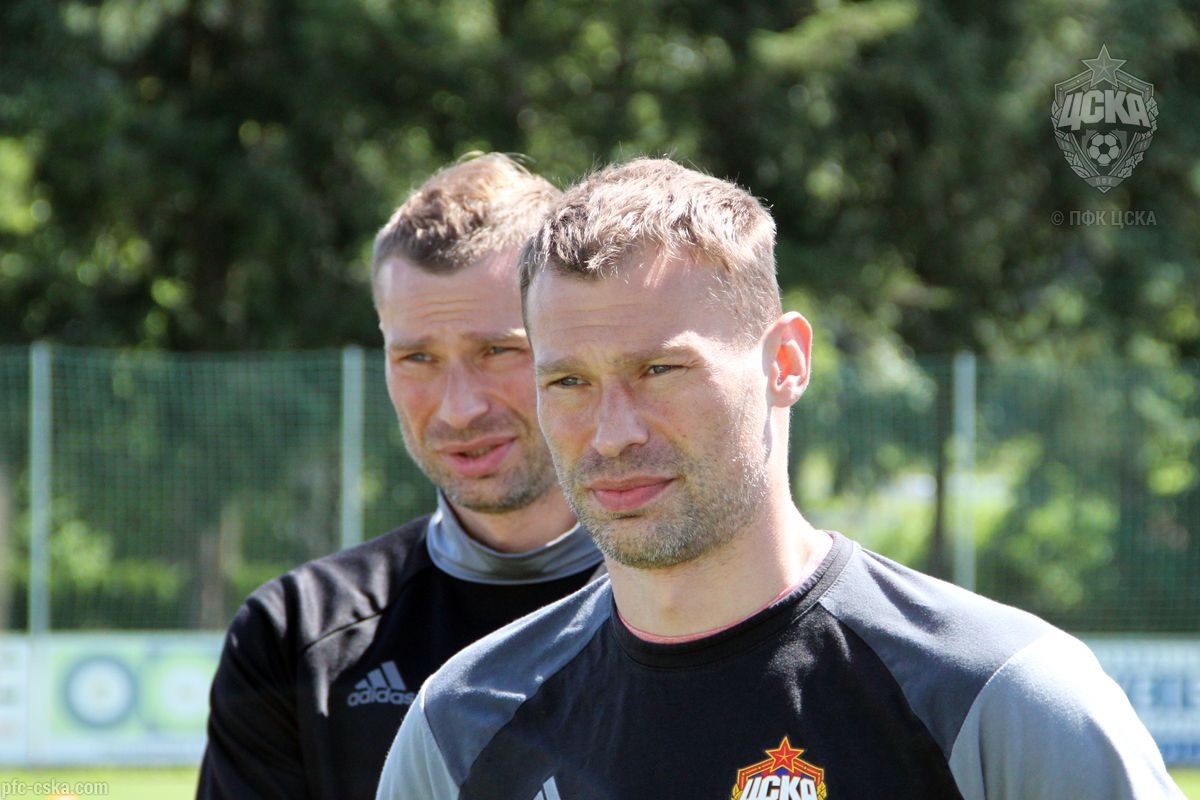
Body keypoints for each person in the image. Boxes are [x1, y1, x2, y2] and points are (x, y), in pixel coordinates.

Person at [375, 157, 1184, 800]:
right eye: (568, 381)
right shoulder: (461, 729)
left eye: (660, 370)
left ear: (786, 361)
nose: (613, 433)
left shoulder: (998, 702)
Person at [196, 153, 602, 800]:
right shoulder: (294, 636)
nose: (458, 408)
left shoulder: (694, 608)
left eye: (497, 350)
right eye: (417, 357)